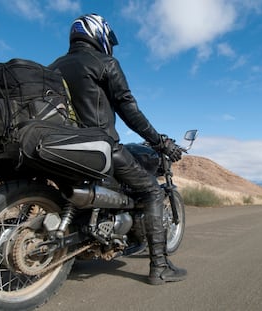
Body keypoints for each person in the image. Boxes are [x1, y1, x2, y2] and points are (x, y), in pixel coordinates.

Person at [49, 13, 187, 285]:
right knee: (151, 191)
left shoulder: (52, 67)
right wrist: (159, 141)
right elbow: (129, 110)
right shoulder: (105, 63)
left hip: (60, 147)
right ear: (98, 34)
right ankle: (159, 267)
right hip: (101, 147)